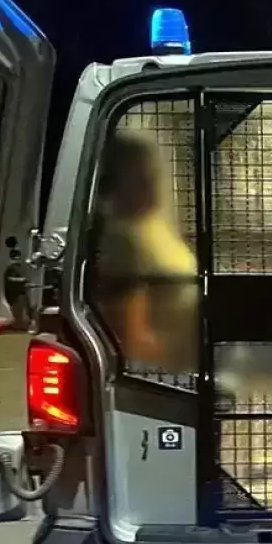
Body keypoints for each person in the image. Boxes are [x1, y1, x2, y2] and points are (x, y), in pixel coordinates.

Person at [92, 130, 199, 374]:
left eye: (152, 173)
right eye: (140, 175)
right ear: (116, 182)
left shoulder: (152, 225)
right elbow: (133, 339)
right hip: (162, 375)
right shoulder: (121, 240)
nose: (152, 182)